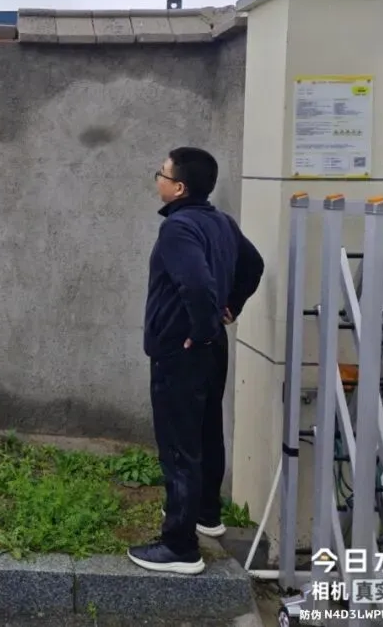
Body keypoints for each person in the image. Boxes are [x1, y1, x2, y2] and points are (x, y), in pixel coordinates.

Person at [128, 147, 264, 576]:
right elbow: (253, 265)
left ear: (179, 187)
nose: (158, 179)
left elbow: (197, 284)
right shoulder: (221, 222)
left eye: (162, 173)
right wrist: (230, 308)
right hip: (209, 347)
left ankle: (180, 546)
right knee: (206, 430)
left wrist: (203, 328)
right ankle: (207, 514)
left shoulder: (178, 228)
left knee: (179, 445)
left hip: (182, 350)